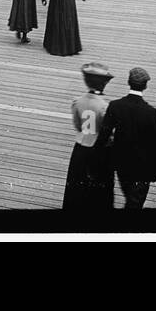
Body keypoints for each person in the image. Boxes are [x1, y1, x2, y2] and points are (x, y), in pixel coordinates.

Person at [99, 67, 156, 210]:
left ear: (129, 82)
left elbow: (104, 133)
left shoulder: (116, 106)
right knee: (135, 201)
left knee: (130, 195)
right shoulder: (152, 113)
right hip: (143, 166)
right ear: (145, 86)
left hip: (121, 162)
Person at [63, 62, 114, 211]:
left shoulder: (78, 102)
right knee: (98, 182)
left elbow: (78, 125)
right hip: (97, 147)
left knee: (77, 179)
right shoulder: (104, 106)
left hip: (81, 145)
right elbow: (106, 130)